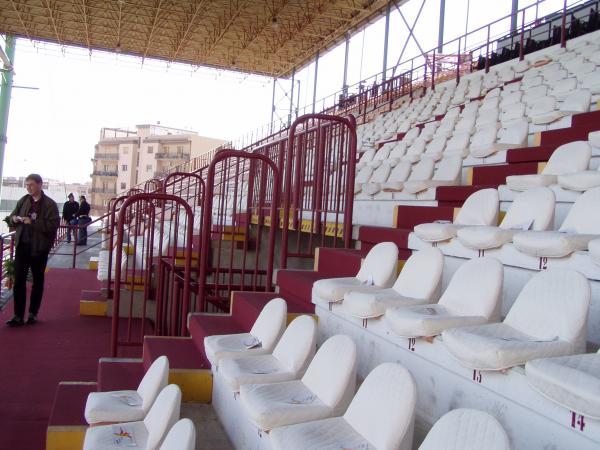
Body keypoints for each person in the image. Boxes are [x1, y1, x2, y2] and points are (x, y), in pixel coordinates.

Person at [6, 174, 59, 326]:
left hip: (39, 249)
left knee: (37, 281)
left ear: (40, 185)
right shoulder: (24, 200)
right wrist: (14, 219)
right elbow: (11, 217)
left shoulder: (50, 204)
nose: (28, 187)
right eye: (26, 185)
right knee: (19, 281)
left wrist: (33, 222)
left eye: (31, 185)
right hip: (22, 246)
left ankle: (32, 314)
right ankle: (17, 315)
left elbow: (52, 225)